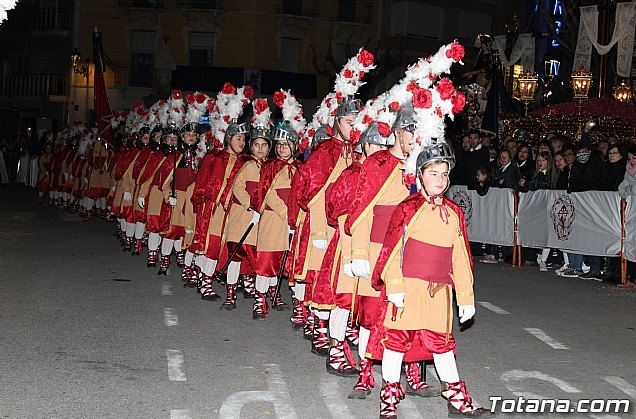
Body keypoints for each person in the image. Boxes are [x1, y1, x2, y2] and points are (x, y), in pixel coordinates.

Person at [369, 142, 491, 418]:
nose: (440, 179)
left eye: (444, 174)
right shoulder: (408, 208)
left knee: (442, 344)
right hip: (408, 288)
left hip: (439, 292)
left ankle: (455, 395)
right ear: (420, 176)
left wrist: (466, 298)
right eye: (434, 173)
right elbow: (391, 252)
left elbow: (460, 258)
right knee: (396, 342)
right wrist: (396, 286)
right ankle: (388, 396)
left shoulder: (454, 212)